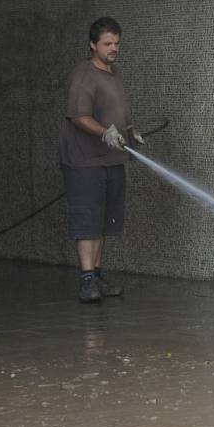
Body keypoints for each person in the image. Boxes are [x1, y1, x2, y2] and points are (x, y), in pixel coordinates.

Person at [59, 17, 143, 303]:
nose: (113, 48)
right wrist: (104, 132)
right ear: (92, 45)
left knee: (105, 220)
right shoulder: (84, 75)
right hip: (86, 161)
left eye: (117, 43)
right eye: (107, 43)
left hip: (112, 159)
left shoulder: (114, 74)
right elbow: (78, 116)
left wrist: (130, 131)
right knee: (88, 219)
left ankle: (96, 275)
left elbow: (119, 110)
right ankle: (85, 281)